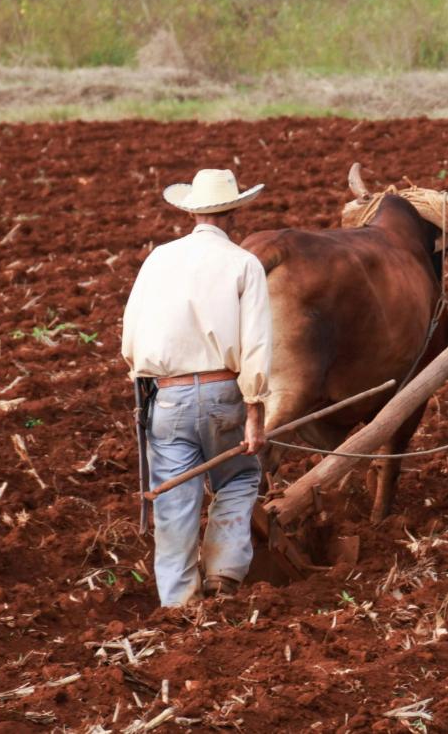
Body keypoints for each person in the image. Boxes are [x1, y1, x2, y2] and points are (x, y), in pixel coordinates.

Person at [121, 168, 272, 607]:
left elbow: (131, 337)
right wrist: (255, 414)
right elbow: (257, 345)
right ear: (234, 214)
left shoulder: (158, 259)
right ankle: (224, 574)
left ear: (192, 212)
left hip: (166, 396)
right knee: (241, 477)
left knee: (174, 496)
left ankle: (178, 604)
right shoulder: (244, 263)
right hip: (225, 393)